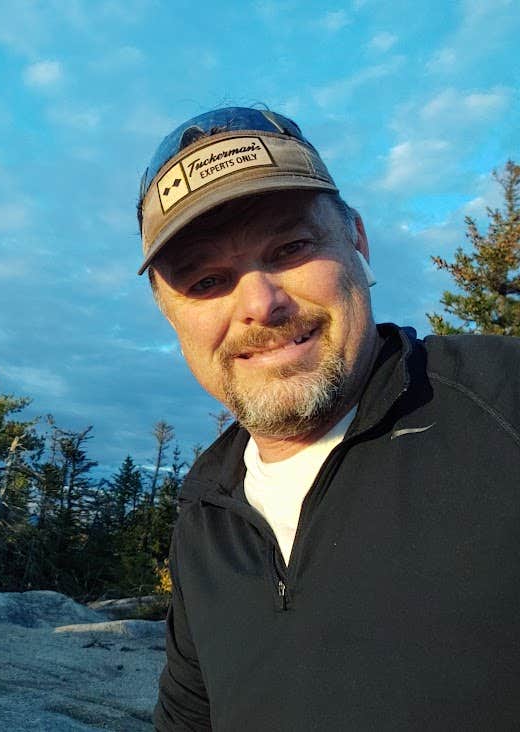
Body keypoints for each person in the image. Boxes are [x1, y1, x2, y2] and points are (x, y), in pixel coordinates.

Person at [137, 107, 520, 730]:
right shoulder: (207, 511)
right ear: (171, 316)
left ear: (358, 243)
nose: (259, 303)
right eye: (207, 280)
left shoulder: (504, 405)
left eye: (290, 247)